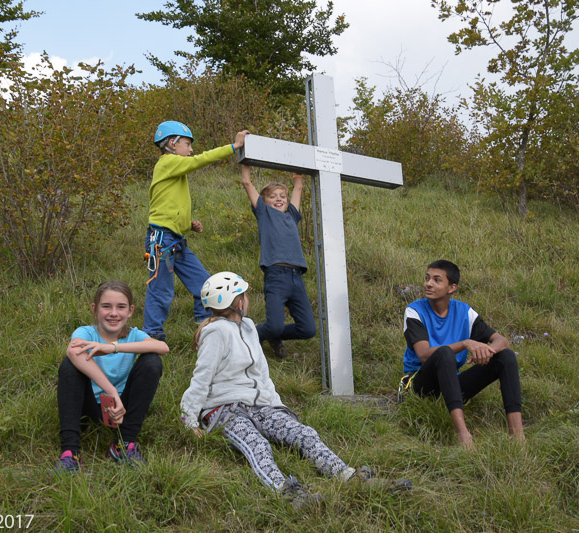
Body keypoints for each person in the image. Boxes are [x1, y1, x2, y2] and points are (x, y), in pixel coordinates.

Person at [181, 272, 410, 507]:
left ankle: (349, 477)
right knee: (258, 446)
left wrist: (277, 406)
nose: (248, 299)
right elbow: (201, 379)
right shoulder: (216, 333)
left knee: (304, 433)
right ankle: (287, 493)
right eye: (245, 295)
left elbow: (262, 375)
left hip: (261, 406)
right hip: (225, 410)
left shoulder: (248, 327)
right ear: (238, 303)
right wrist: (189, 420)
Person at [144, 121, 249, 342]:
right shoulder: (167, 162)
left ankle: (205, 327)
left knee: (204, 284)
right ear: (172, 144)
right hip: (162, 239)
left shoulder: (174, 169)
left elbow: (167, 204)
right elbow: (201, 160)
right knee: (161, 289)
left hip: (176, 239)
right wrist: (234, 146)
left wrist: (187, 223)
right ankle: (152, 335)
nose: (191, 150)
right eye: (187, 144)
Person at [402, 260, 524, 448]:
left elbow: (503, 341)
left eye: (436, 280)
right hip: (422, 385)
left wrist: (487, 351)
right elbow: (424, 354)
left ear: (451, 288)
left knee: (506, 356)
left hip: (452, 383)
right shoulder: (414, 311)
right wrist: (466, 343)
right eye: (427, 278)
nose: (428, 284)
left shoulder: (464, 312)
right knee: (445, 353)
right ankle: (463, 435)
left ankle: (517, 436)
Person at [53, 281, 169, 473]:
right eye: (106, 306)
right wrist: (112, 391)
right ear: (95, 309)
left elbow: (162, 347)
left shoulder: (134, 335)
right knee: (69, 365)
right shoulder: (85, 332)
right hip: (90, 406)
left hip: (123, 408)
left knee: (152, 361)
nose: (114, 313)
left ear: (130, 311)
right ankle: (70, 453)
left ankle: (124, 444)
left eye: (121, 307)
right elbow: (73, 351)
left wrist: (113, 347)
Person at [240, 165, 316, 358]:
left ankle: (273, 336)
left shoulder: (292, 215)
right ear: (264, 201)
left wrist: (298, 171)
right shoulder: (264, 213)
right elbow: (247, 182)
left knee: (308, 329)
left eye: (282, 196)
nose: (279, 199)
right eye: (273, 196)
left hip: (297, 278)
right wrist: (245, 163)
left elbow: (298, 187)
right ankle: (250, 336)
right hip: (276, 276)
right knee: (274, 326)